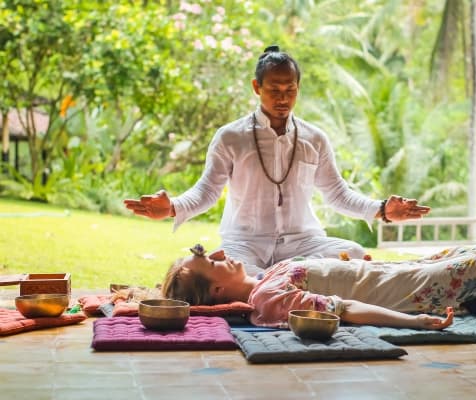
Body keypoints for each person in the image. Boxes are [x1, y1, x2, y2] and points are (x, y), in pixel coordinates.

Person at [123, 45, 430, 276]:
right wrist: (173, 206)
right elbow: (206, 192)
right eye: (274, 90)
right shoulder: (231, 137)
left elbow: (337, 194)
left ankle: (278, 283)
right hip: (245, 243)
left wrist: (381, 210)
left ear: (298, 89)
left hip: (303, 243)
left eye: (290, 90)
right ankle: (289, 283)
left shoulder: (315, 138)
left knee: (352, 252)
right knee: (231, 271)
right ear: (257, 88)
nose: (282, 99)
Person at [160, 241, 476, 329]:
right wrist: (417, 324)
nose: (218, 254)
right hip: (416, 286)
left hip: (402, 269)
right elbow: (344, 310)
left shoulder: (269, 277)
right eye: (207, 262)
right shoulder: (269, 298)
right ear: (217, 291)